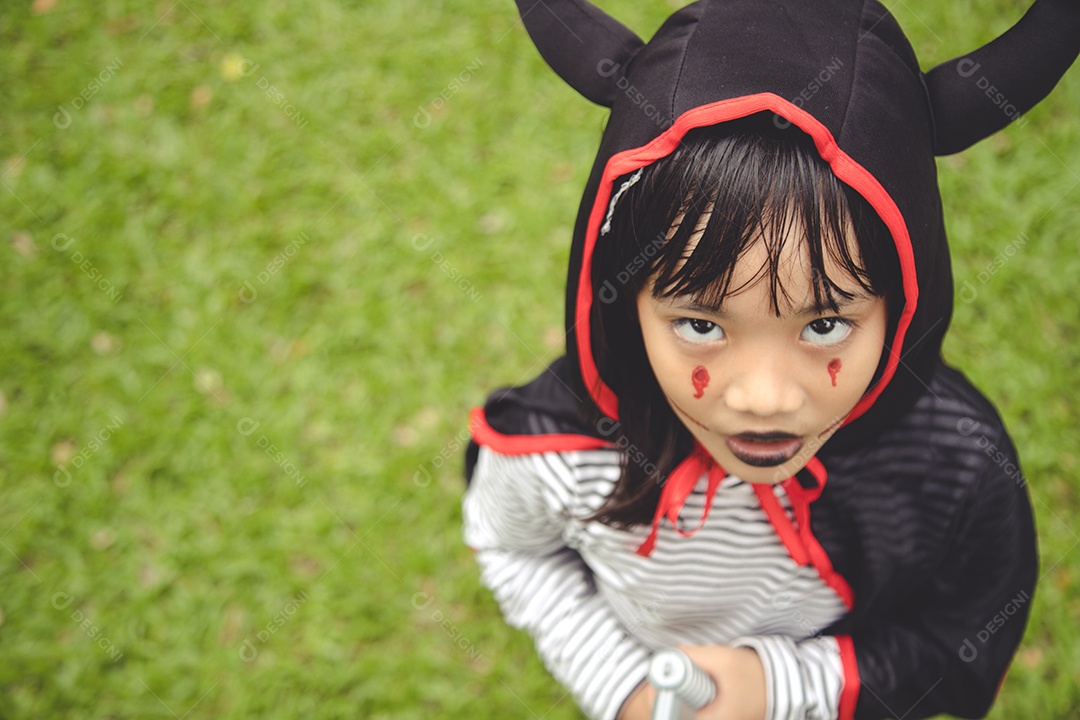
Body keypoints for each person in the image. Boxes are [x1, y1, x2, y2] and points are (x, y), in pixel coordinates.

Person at [462, 1, 1080, 719]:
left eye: (824, 324)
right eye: (699, 322)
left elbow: (959, 631)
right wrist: (624, 687)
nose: (762, 397)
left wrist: (787, 687)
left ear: (904, 303)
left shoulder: (953, 465)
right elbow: (514, 551)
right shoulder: (557, 449)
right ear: (623, 300)